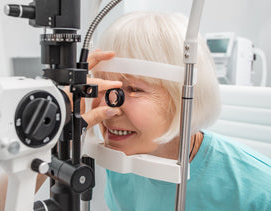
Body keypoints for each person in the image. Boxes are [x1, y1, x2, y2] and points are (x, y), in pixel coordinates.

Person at [85, 12, 271, 210]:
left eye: (134, 89)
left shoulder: (259, 192)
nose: (108, 107)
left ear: (181, 97)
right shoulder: (120, 161)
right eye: (103, 86)